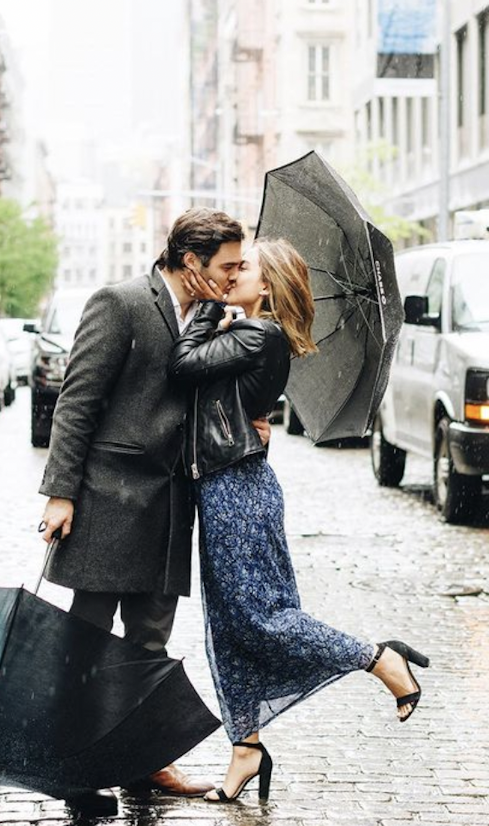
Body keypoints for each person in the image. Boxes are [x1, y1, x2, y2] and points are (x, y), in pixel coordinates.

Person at [168, 238, 430, 804]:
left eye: (244, 268)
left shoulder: (257, 333)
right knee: (227, 625)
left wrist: (209, 304)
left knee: (262, 619)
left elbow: (182, 365)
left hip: (237, 491)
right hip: (224, 487)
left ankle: (381, 659)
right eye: (230, 267)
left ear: (267, 287)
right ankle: (246, 747)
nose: (232, 272)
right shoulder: (248, 333)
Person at [37, 207, 270, 809]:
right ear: (190, 263)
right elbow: (77, 401)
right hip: (107, 498)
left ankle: (144, 763)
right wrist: (62, 493)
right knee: (86, 638)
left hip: (172, 500)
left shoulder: (218, 318)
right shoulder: (120, 303)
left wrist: (250, 418)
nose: (235, 274)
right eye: (227, 266)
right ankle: (77, 767)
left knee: (149, 641)